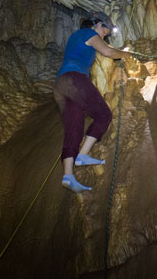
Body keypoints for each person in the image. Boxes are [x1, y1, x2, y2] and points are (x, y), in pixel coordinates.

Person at [54, 12, 131, 193]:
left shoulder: (75, 38)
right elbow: (108, 52)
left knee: (74, 126)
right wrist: (127, 55)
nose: (104, 33)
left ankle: (68, 175)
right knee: (103, 114)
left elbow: (101, 49)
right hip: (73, 80)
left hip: (59, 86)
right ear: (96, 24)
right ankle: (83, 155)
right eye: (104, 29)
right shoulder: (88, 34)